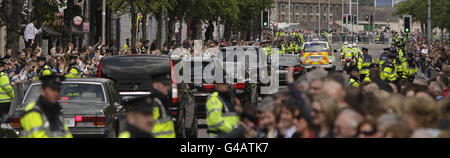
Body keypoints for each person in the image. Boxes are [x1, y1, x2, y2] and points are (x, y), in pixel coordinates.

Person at [149, 72, 176, 138]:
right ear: (155, 85)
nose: (167, 87)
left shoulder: (163, 99)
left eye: (168, 85)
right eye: (164, 84)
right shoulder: (154, 102)